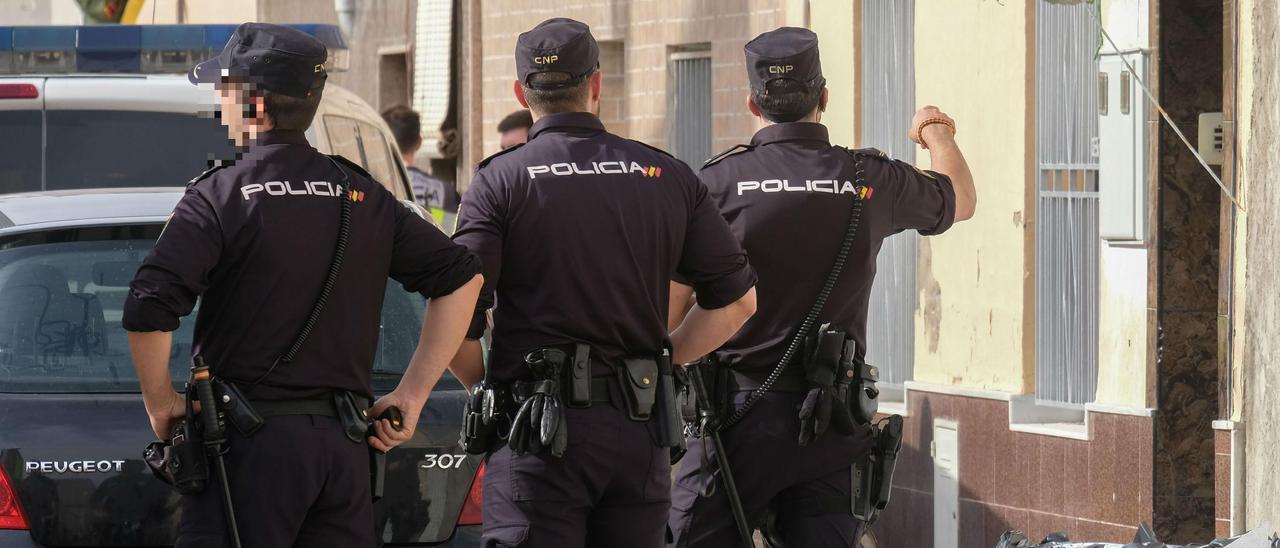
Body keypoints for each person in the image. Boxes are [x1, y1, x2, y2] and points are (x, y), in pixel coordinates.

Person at [122, 23, 483, 547]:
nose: (219, 103)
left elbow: (149, 304)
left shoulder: (221, 195)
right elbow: (462, 277)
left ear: (251, 103)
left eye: (223, 90)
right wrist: (412, 396)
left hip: (246, 453)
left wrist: (161, 405)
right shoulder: (360, 193)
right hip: (344, 453)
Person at [449, 17, 759, 548]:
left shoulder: (498, 180)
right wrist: (665, 359)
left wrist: (488, 382)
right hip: (636, 431)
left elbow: (455, 309)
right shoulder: (665, 175)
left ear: (521, 93)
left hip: (535, 431)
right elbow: (737, 304)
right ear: (596, 85)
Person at [666, 27, 977, 548]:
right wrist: (935, 130)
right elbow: (960, 200)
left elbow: (670, 312)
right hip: (831, 427)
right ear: (824, 97)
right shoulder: (869, 178)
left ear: (752, 103)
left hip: (733, 423)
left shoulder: (716, 185)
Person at [382, 104, 459, 225]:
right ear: (419, 142)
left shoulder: (374, 186)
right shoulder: (445, 192)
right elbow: (449, 231)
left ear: (384, 141)